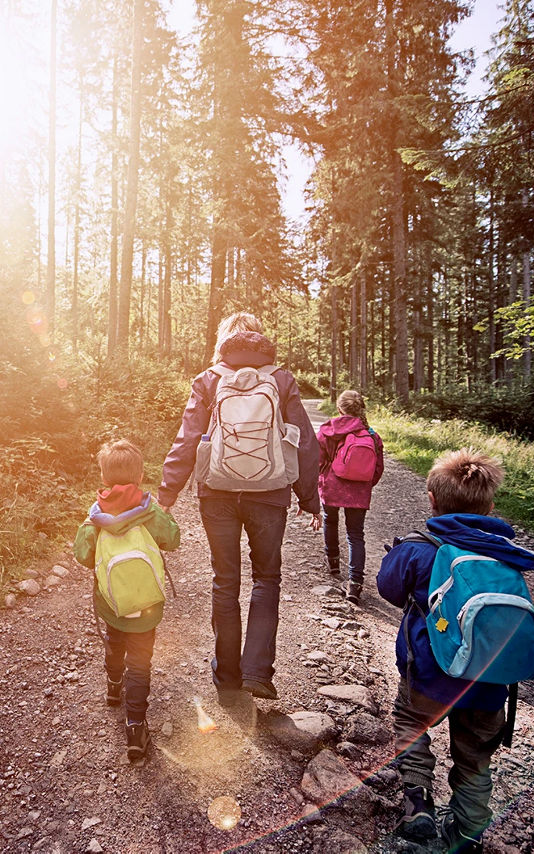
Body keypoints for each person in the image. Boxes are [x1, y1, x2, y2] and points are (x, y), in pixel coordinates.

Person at [377, 448, 534, 853]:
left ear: (432, 499)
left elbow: (387, 589)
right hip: (489, 681)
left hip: (429, 677)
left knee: (410, 725)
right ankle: (468, 831)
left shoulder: (418, 548)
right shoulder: (506, 556)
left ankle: (418, 805)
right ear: (490, 506)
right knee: (474, 758)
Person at [158, 312, 320, 703]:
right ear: (258, 340)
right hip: (270, 492)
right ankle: (258, 673)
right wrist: (309, 498)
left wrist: (165, 495)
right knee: (266, 578)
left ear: (223, 342)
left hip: (217, 492)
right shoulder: (280, 379)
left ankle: (227, 676)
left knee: (225, 581)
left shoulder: (209, 379)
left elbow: (187, 439)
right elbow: (303, 441)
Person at [74, 439, 180, 765]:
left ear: (104, 477)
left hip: (112, 603)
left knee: (114, 641)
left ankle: (112, 686)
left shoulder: (95, 517)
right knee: (141, 661)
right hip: (146, 606)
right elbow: (173, 539)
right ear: (140, 474)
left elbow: (82, 555)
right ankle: (135, 727)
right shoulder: (150, 512)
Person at [317, 390, 385, 605]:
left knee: (330, 520)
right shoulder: (372, 434)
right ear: (361, 409)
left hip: (331, 486)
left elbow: (318, 461)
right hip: (359, 490)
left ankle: (333, 562)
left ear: (339, 408)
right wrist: (365, 485)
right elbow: (378, 468)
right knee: (356, 534)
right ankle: (355, 584)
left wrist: (322, 479)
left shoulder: (328, 430)